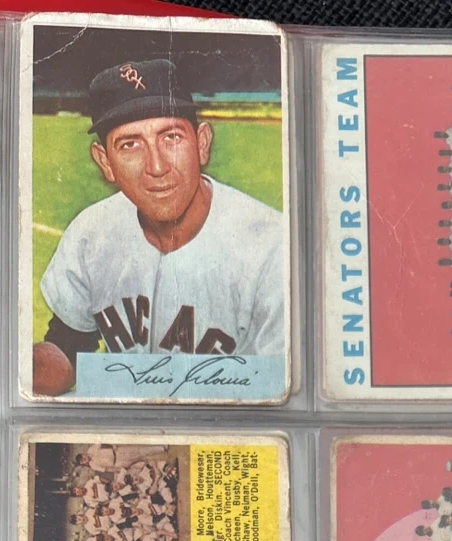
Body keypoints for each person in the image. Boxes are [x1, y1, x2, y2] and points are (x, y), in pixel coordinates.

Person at [33, 57, 285, 395]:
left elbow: (282, 394)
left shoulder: (273, 250)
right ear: (105, 162)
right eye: (130, 144)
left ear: (202, 144)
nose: (156, 166)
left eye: (171, 137)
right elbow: (68, 348)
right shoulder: (90, 233)